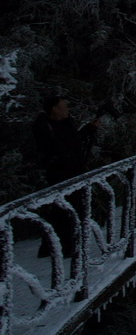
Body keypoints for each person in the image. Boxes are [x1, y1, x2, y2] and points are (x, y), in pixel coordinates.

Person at [32, 95, 99, 257]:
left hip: (75, 173)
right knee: (63, 211)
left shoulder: (66, 123)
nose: (68, 108)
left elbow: (74, 142)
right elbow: (52, 150)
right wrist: (63, 161)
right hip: (60, 175)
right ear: (54, 108)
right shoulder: (45, 127)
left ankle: (58, 246)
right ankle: (65, 248)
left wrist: (89, 129)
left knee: (70, 209)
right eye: (64, 106)